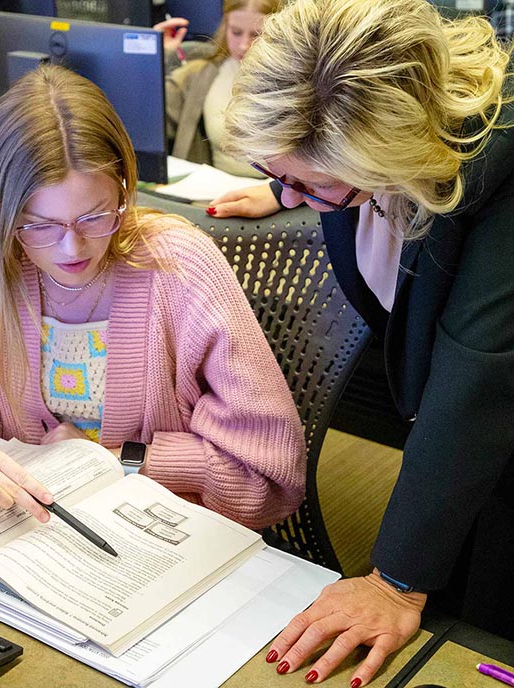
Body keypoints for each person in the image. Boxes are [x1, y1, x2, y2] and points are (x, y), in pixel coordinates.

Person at [209, 0, 514, 684]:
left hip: (495, 428)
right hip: (454, 447)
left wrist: (395, 580)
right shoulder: (340, 155)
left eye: (312, 184)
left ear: (385, 152)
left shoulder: (500, 168)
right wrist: (292, 188)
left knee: (481, 630)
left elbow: (478, 376)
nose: (297, 195)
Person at [0, 63, 306, 533]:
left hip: (164, 533)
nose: (72, 247)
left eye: (94, 217)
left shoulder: (180, 267)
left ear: (124, 187)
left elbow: (270, 474)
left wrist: (120, 461)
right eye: (39, 225)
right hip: (32, 533)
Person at [155, 0, 282, 176]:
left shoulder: (301, 81)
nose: (244, 45)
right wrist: (154, 55)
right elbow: (151, 119)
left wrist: (273, 195)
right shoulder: (200, 74)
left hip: (284, 197)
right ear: (225, 26)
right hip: (217, 191)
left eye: (257, 35)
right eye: (236, 32)